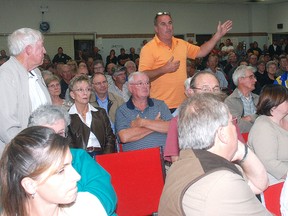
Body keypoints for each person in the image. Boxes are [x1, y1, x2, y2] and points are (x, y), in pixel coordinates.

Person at [158, 93, 270, 216]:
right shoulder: (222, 182)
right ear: (222, 134)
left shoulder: (185, 163)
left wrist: (243, 152)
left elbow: (259, 185)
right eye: (232, 122)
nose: (235, 126)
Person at [28, 104, 117, 216]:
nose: (57, 141)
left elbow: (106, 195)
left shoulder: (79, 157)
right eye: (50, 135)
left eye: (60, 133)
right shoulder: (28, 166)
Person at [0, 126, 107, 216]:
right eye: (61, 171)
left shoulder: (88, 206)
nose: (77, 176)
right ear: (30, 185)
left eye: (71, 164)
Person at [139, 12, 232, 112]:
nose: (168, 27)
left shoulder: (181, 44)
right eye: (163, 24)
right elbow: (142, 76)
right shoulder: (148, 48)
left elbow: (201, 51)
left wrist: (218, 35)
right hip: (160, 105)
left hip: (182, 104)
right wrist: (164, 69)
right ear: (156, 28)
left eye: (170, 23)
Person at [0, 27, 51, 156]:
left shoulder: (37, 72)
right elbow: (7, 128)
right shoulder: (5, 75)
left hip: (43, 147)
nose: (44, 51)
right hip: (21, 154)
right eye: (41, 47)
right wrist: (31, 151)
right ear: (28, 50)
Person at [115, 72, 172, 152]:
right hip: (137, 160)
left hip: (164, 159)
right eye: (140, 83)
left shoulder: (160, 105)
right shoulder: (122, 110)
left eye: (147, 83)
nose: (145, 86)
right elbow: (124, 137)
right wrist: (156, 124)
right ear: (130, 88)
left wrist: (142, 122)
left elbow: (172, 127)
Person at [248, 84, 288, 185]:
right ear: (273, 105)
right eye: (286, 100)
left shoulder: (285, 118)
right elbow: (269, 163)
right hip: (275, 179)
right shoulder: (263, 127)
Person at [68, 75, 116, 157]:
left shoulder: (100, 113)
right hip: (81, 158)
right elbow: (69, 145)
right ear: (72, 94)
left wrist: (105, 158)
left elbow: (110, 138)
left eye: (88, 89)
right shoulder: (67, 117)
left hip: (102, 155)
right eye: (80, 90)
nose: (85, 93)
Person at [225, 65, 259, 133]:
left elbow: (267, 118)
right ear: (240, 79)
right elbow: (237, 125)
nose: (255, 80)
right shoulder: (230, 101)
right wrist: (258, 123)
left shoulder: (259, 98)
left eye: (254, 77)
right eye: (251, 77)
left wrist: (250, 118)